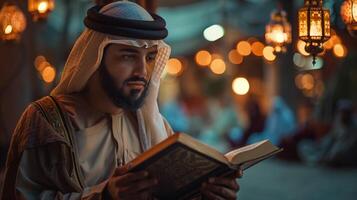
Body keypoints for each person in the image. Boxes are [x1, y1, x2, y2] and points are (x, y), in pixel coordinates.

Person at [1, 1, 241, 199]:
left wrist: (206, 194)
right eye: (128, 56)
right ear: (96, 59)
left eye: (149, 58)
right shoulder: (46, 121)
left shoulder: (154, 126)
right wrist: (105, 196)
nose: (142, 72)